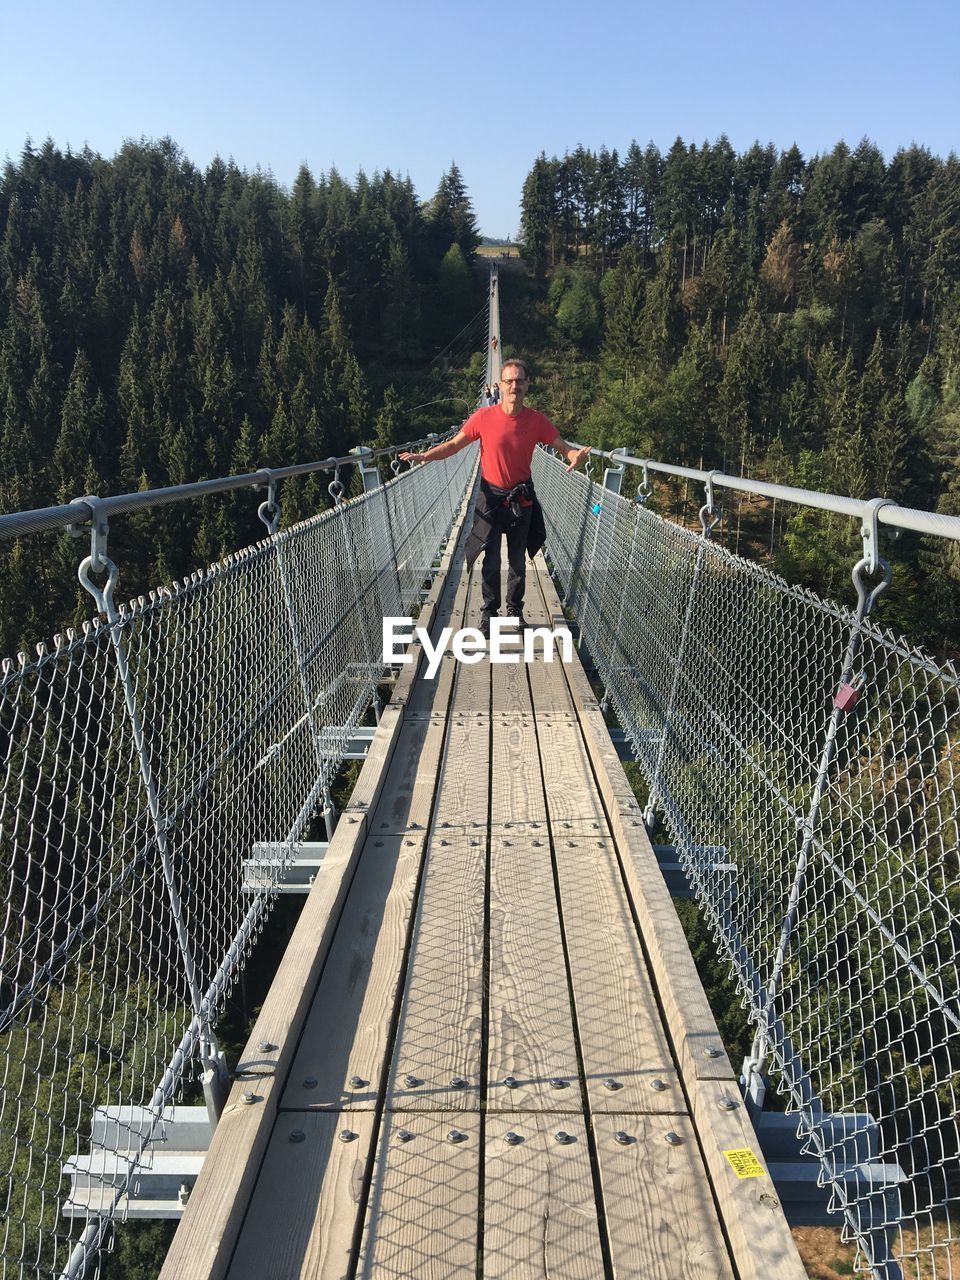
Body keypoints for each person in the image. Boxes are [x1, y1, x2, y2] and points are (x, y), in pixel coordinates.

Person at [400, 359, 590, 634]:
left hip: (520, 499)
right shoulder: (483, 418)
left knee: (516, 560)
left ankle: (514, 611)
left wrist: (575, 455)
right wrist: (426, 456)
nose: (515, 385)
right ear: (500, 385)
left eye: (520, 381)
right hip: (490, 497)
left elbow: (561, 446)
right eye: (509, 381)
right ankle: (489, 613)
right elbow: (455, 444)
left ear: (527, 385)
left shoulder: (537, 420)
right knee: (490, 559)